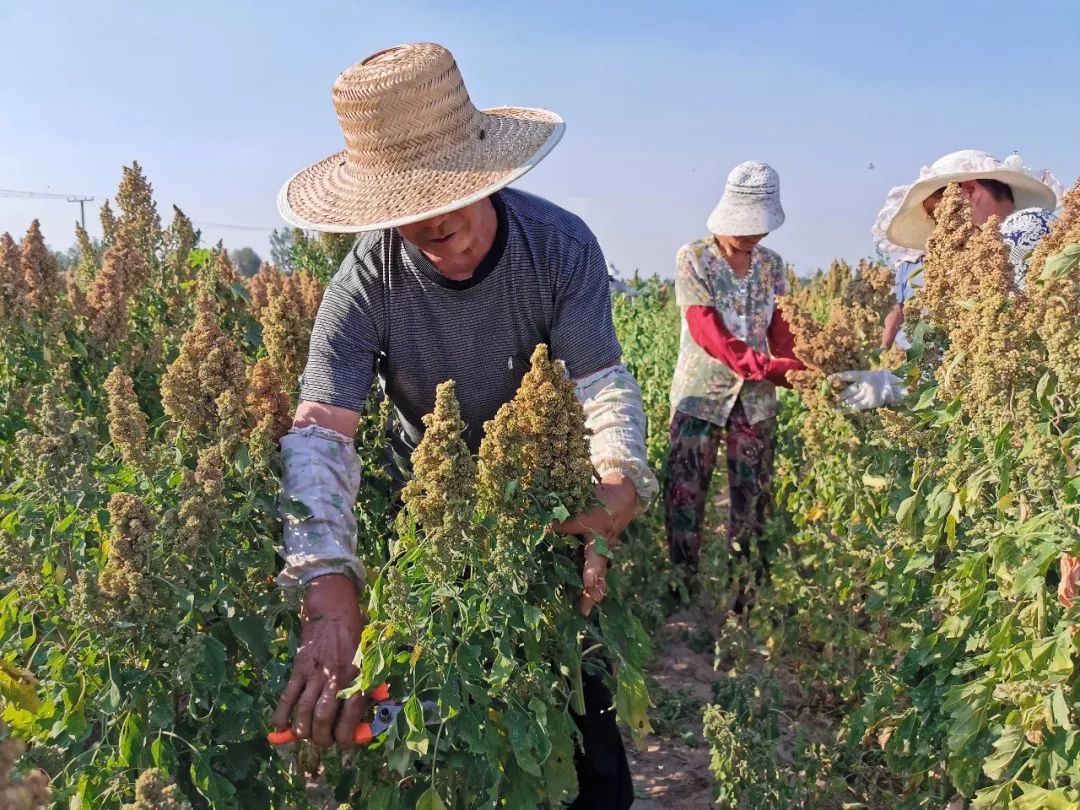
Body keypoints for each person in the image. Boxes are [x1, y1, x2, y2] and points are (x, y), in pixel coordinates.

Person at [268, 42, 657, 809]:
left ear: (490, 175)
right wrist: (328, 588)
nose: (441, 229)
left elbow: (602, 388)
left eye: (453, 198)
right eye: (413, 216)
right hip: (432, 521)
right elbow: (320, 429)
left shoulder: (560, 248)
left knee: (586, 722)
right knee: (419, 713)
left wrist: (618, 483)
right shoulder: (366, 280)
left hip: (549, 514)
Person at [664, 161, 804, 611]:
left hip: (756, 402)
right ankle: (682, 586)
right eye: (747, 227)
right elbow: (705, 329)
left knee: (752, 494)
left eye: (760, 229)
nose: (752, 237)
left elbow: (782, 326)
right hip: (701, 393)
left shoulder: (772, 266)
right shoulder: (695, 258)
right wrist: (762, 365)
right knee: (686, 490)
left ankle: (745, 594)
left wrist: (798, 366)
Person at [837, 149, 1061, 411]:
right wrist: (902, 381)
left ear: (967, 192)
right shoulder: (989, 250)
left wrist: (896, 384)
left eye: (937, 214)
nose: (939, 228)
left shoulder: (1027, 226)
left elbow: (997, 339)